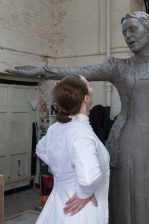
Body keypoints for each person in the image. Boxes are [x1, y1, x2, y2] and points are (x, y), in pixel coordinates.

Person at [7, 11, 149, 224]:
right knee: (127, 197)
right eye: (124, 32)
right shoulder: (118, 67)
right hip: (128, 142)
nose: (128, 36)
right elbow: (80, 70)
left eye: (133, 29)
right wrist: (44, 71)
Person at [36, 75, 110, 224]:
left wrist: (63, 168)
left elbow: (40, 149)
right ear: (86, 98)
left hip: (59, 207)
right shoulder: (81, 133)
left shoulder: (55, 129)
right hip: (79, 213)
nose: (92, 88)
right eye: (89, 85)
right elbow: (89, 179)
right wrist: (84, 194)